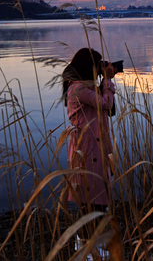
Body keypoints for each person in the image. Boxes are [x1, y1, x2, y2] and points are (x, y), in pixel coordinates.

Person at [62, 47, 118, 210]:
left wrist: (104, 82)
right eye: (98, 64)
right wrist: (107, 81)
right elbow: (105, 104)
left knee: (96, 199)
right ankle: (87, 234)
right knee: (91, 199)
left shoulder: (86, 87)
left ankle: (91, 233)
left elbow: (109, 110)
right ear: (89, 67)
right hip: (87, 150)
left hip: (94, 147)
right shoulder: (78, 89)